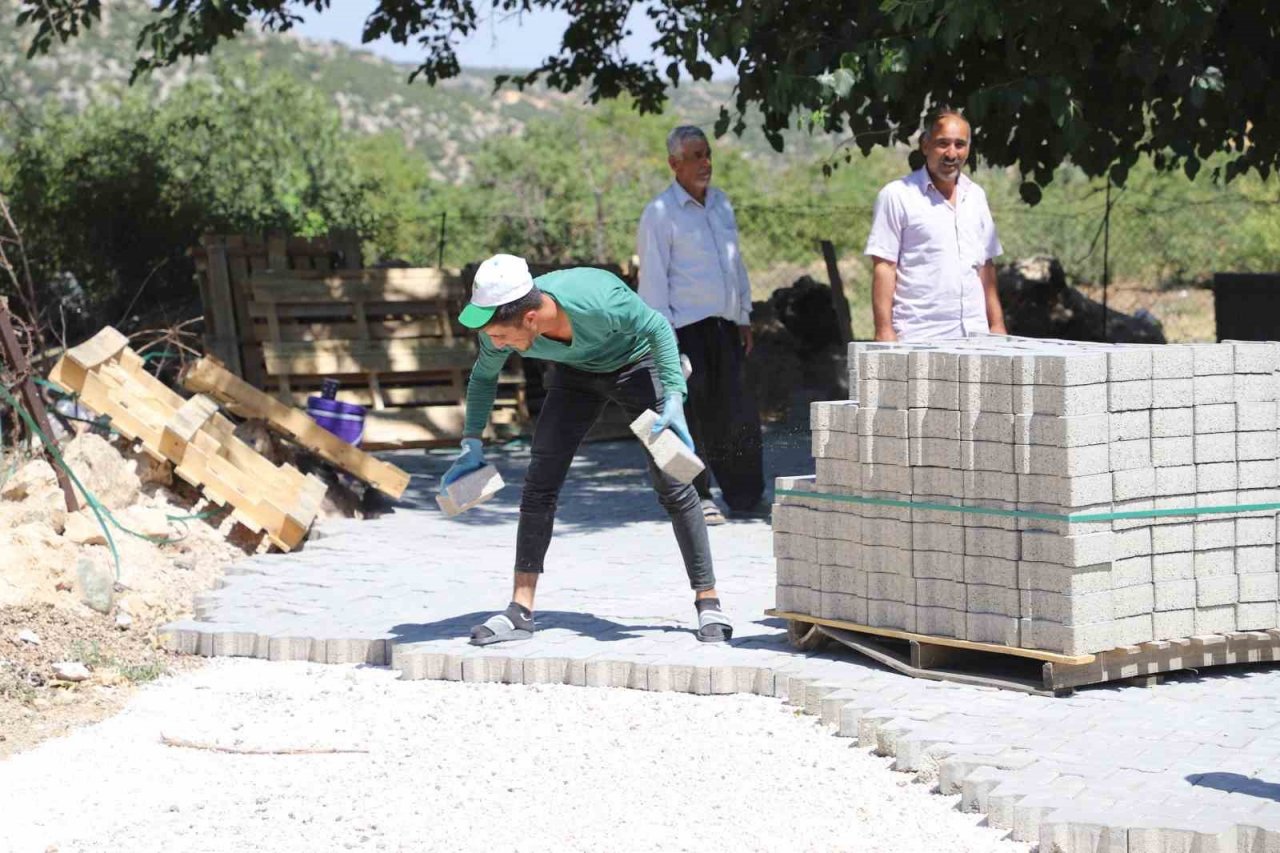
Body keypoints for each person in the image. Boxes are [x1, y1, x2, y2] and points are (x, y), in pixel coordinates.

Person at [441, 253, 733, 646]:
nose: (496, 344)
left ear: (529, 318)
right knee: (539, 482)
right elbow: (483, 378)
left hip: (635, 363)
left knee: (673, 480)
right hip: (576, 375)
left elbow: (658, 326)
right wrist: (471, 443)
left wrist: (675, 397)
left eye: (502, 337)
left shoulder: (598, 298)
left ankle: (708, 599)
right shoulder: (497, 328)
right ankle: (520, 610)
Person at [636, 125, 765, 525]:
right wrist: (663, 339)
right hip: (683, 330)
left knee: (736, 412)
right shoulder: (660, 213)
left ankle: (745, 495)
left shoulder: (722, 204)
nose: (705, 163)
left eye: (707, 153)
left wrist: (743, 315)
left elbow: (734, 264)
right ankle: (696, 496)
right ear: (675, 164)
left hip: (725, 326)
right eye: (695, 156)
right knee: (687, 414)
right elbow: (654, 280)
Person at [865, 108, 1007, 342]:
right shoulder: (897, 196)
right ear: (925, 145)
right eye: (943, 143)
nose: (951, 154)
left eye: (960, 145)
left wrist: (997, 325)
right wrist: (884, 331)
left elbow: (986, 267)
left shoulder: (976, 196)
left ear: (968, 149)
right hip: (920, 336)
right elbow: (884, 266)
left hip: (976, 336)